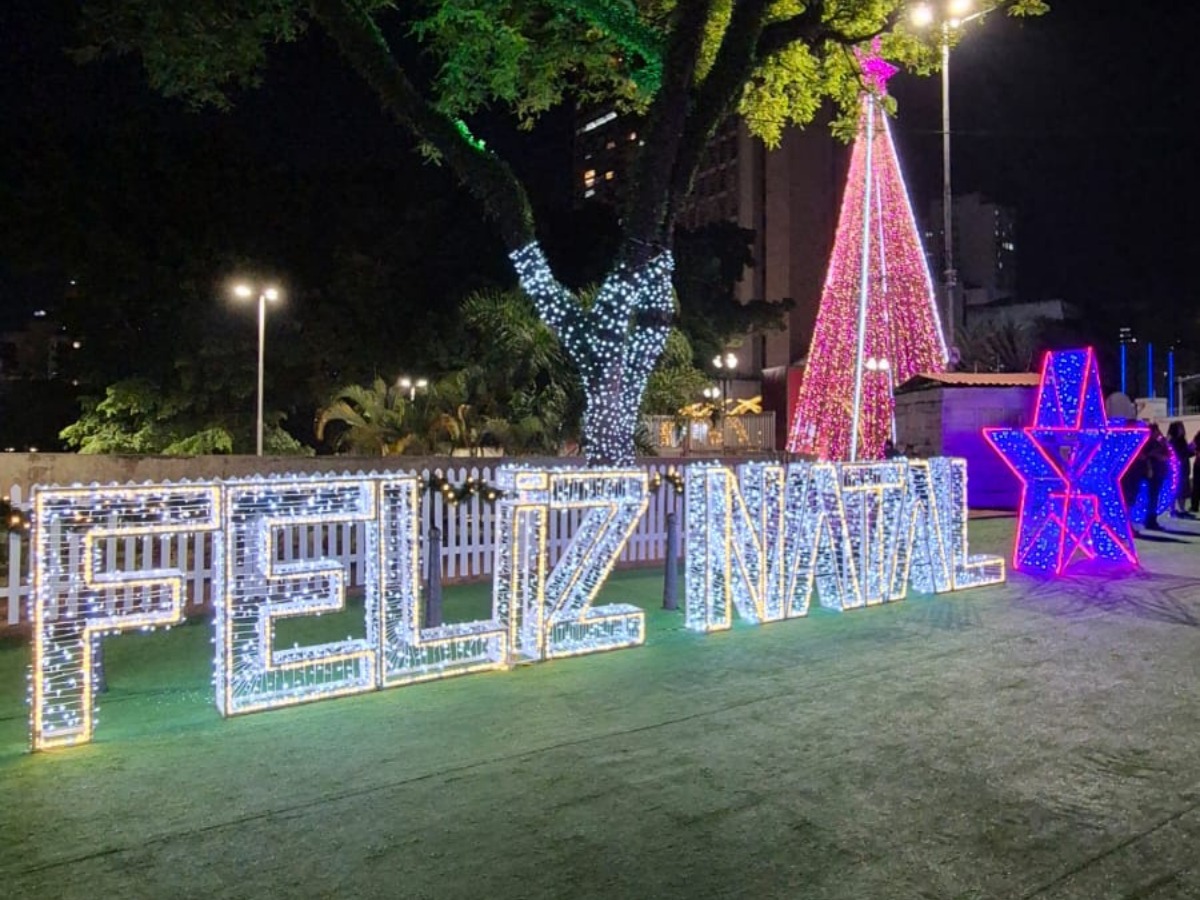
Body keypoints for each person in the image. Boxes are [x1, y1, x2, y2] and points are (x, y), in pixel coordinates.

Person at [1142, 423, 1172, 529]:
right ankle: (1150, 521)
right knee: (1152, 497)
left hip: (1159, 472)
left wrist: (1164, 442)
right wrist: (1155, 456)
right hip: (1153, 473)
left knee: (1154, 497)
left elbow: (1168, 454)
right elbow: (1145, 456)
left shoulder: (1159, 442)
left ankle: (1152, 520)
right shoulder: (1147, 443)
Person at [1166, 421, 1194, 518]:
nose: (1182, 429)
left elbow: (1186, 454)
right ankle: (1172, 509)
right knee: (1175, 489)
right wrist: (1187, 450)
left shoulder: (1182, 440)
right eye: (1180, 427)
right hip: (1176, 468)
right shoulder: (1172, 441)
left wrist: (1191, 450)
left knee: (1183, 489)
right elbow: (1175, 454)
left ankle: (1182, 509)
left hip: (1184, 467)